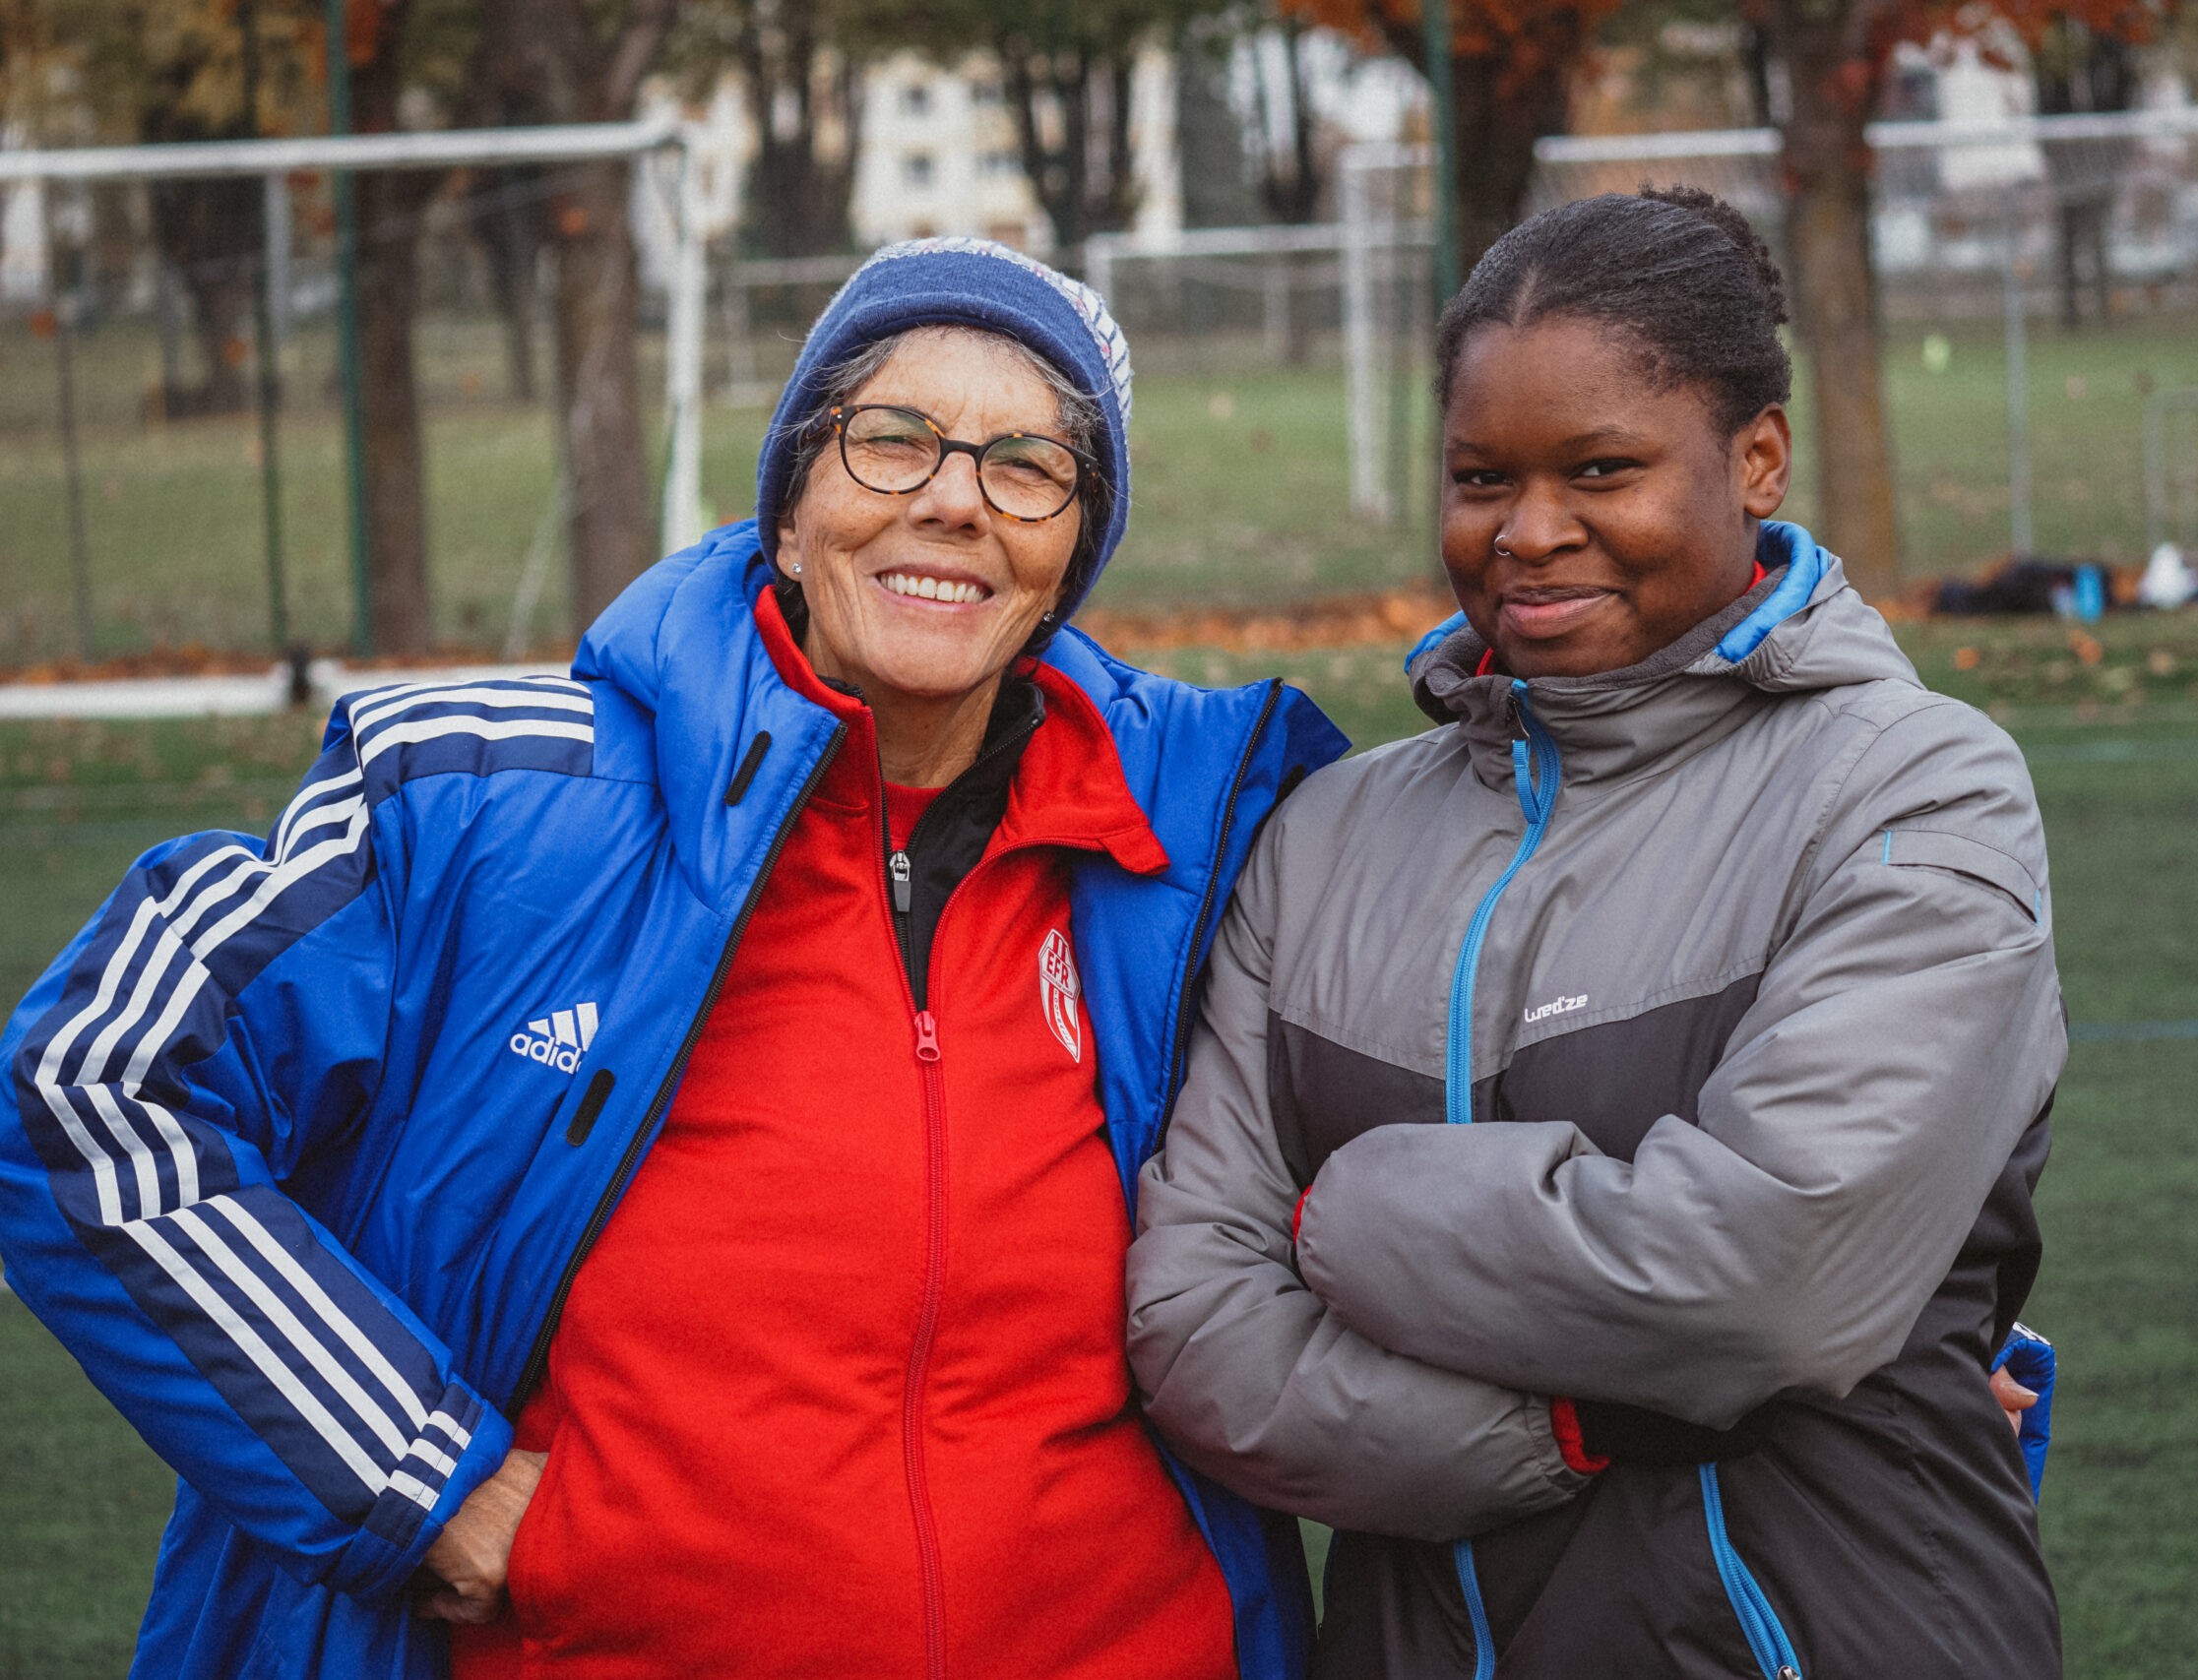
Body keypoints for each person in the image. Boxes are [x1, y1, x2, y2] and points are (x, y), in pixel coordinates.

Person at [0, 238, 1342, 1680]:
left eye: (1029, 467)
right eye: (892, 439)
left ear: (1068, 562)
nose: (956, 498)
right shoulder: (474, 799)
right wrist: (420, 1480)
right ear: (789, 514)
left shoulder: (1192, 839)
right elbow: (83, 1084)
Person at [1126, 189, 2065, 1678]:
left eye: (1601, 470)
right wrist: (1568, 1422)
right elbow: (1193, 1322)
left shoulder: (1912, 787)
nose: (1529, 531)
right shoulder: (1325, 836)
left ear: (1757, 457)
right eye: (1481, 477)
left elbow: (1769, 1282)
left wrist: (1351, 1217)